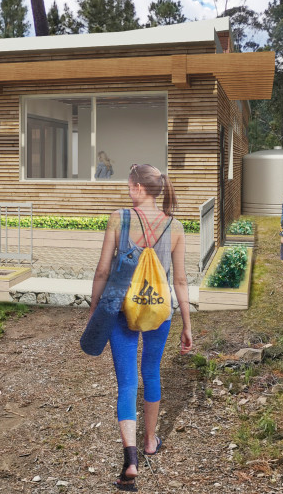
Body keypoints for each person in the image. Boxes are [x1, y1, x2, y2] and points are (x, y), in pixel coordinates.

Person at [87, 163, 193, 490]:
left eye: (129, 184)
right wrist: (187, 324)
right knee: (151, 372)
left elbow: (103, 271)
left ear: (136, 188)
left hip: (122, 308)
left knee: (127, 383)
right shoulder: (175, 226)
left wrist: (95, 310)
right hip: (160, 311)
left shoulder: (119, 218)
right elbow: (179, 280)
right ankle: (150, 442)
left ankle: (130, 459)